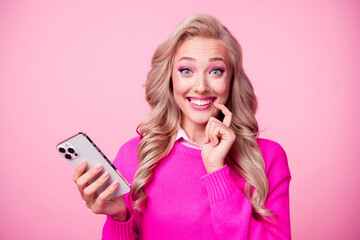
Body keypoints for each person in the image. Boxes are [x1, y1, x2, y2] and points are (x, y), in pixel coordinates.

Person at [73, 14, 291, 239]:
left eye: (216, 71)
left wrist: (216, 170)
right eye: (186, 70)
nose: (201, 86)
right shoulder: (135, 156)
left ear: (232, 81)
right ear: (170, 78)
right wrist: (119, 218)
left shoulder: (266, 157)